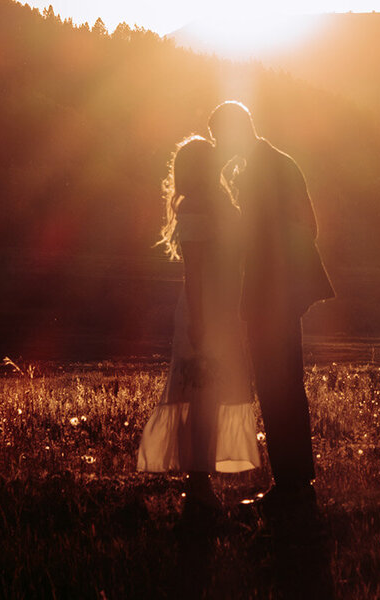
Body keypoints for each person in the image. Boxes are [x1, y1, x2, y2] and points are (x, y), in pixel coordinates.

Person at [207, 101, 335, 514]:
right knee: (282, 384)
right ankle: (296, 481)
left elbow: (291, 229)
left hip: (271, 293)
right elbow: (307, 225)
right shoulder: (273, 163)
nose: (218, 147)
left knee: (276, 384)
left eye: (219, 138)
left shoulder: (264, 169)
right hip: (278, 292)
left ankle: (292, 485)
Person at [137, 134, 260, 516]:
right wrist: (200, 323)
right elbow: (193, 275)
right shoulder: (194, 210)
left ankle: (201, 482)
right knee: (200, 391)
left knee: (213, 390)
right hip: (204, 311)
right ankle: (198, 482)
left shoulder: (219, 204)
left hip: (222, 309)